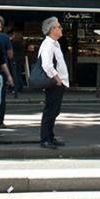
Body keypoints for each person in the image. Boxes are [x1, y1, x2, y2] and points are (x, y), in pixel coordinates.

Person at [37, 17, 69, 149]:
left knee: (54, 110)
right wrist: (57, 79)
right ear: (52, 30)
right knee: (50, 110)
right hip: (54, 83)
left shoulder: (55, 43)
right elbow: (47, 65)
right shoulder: (48, 44)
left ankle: (50, 136)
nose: (61, 29)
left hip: (57, 83)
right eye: (59, 27)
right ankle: (45, 139)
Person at [0, 22, 17, 99]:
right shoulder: (5, 37)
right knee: (1, 92)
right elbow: (10, 55)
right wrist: (9, 75)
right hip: (2, 67)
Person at [10, 27, 26, 98]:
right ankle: (20, 87)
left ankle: (15, 88)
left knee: (15, 74)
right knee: (19, 73)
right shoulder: (22, 42)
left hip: (14, 59)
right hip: (21, 59)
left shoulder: (13, 42)